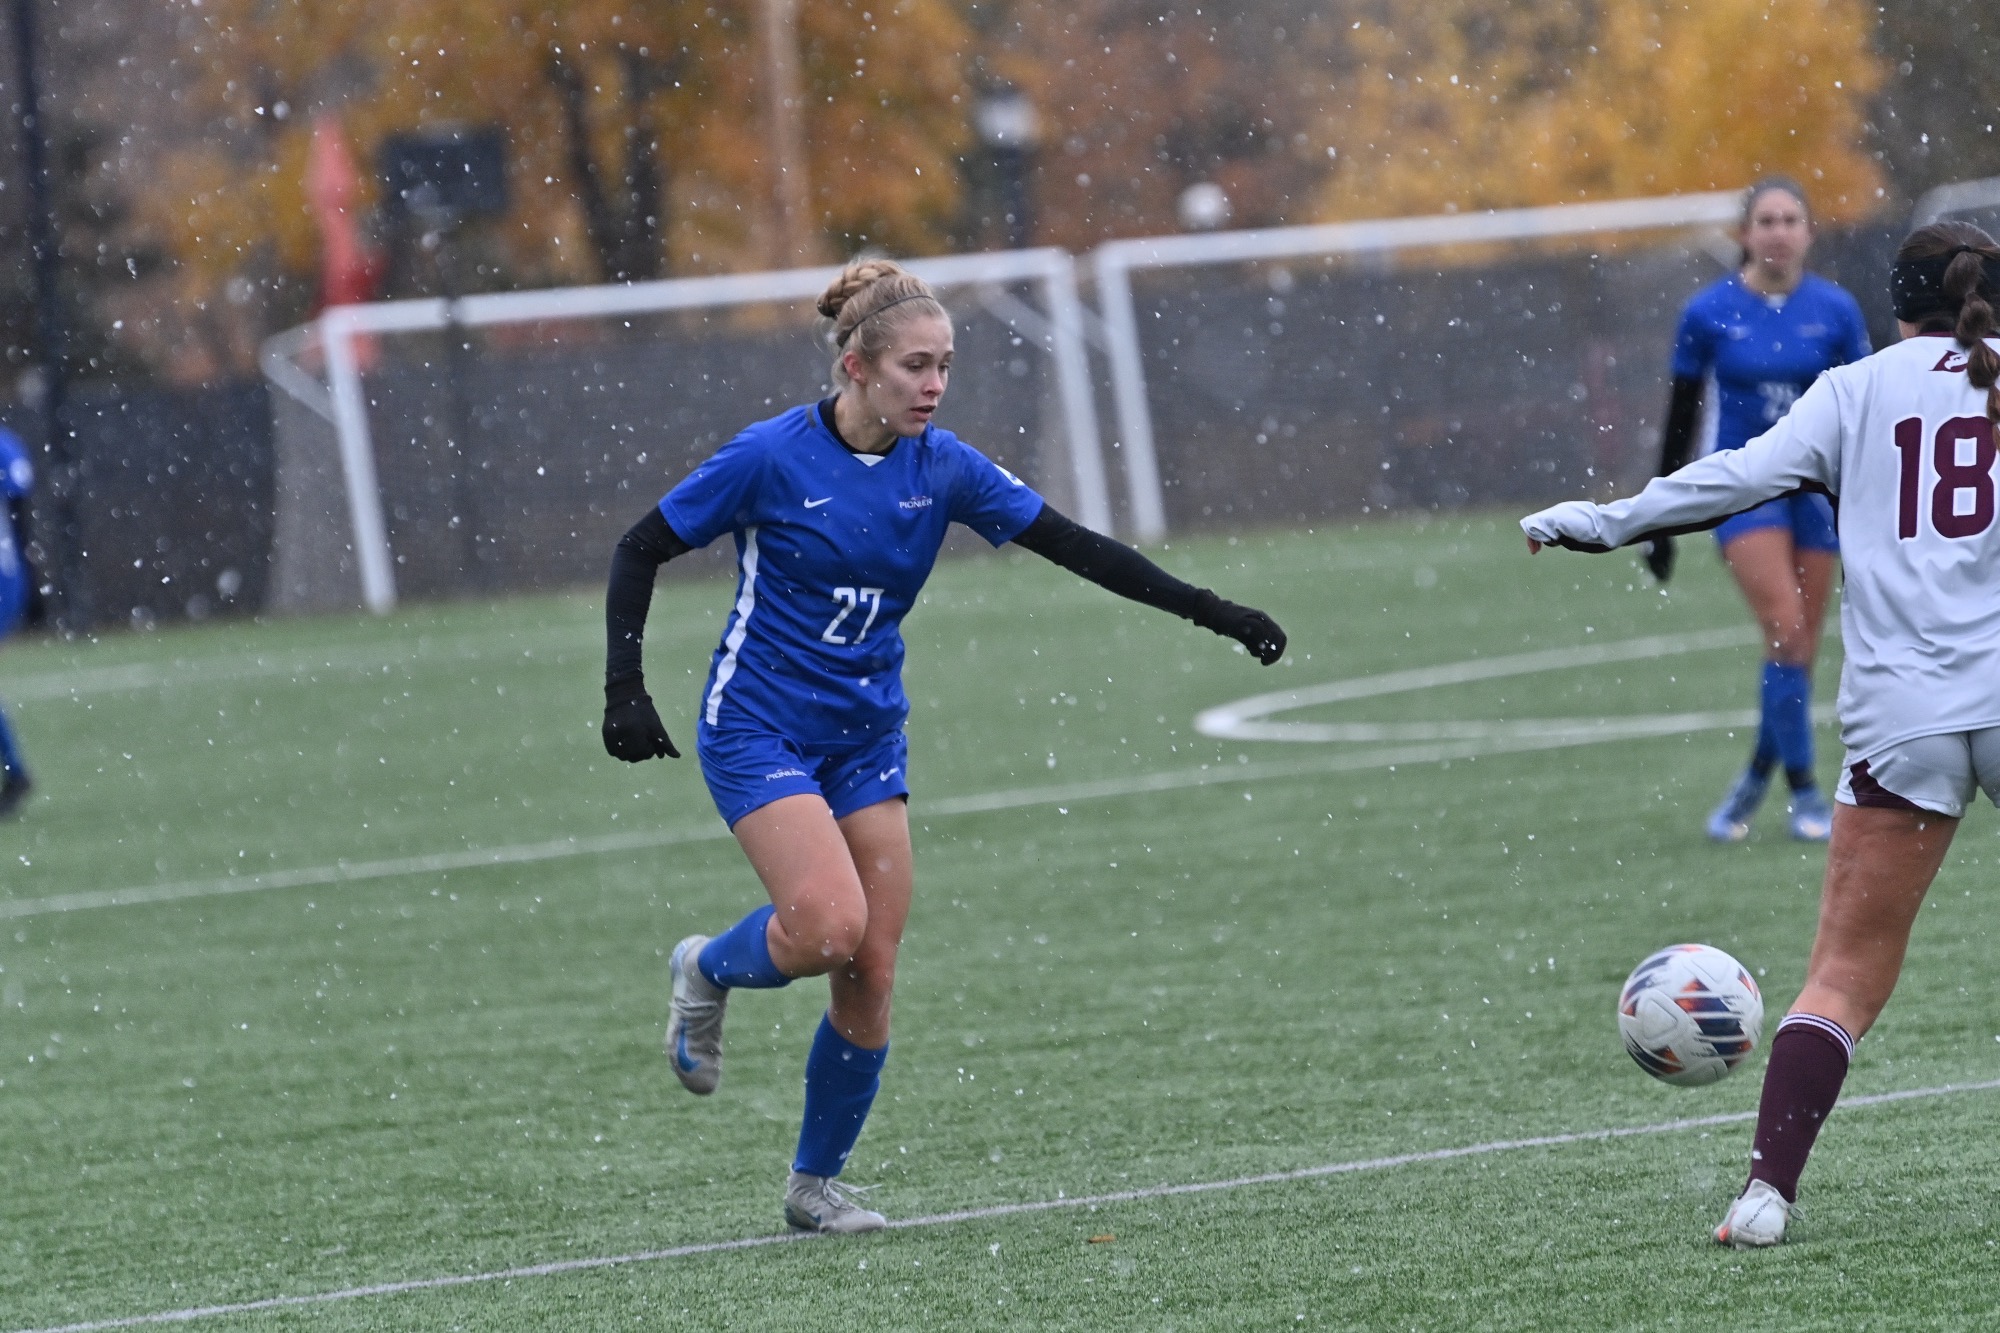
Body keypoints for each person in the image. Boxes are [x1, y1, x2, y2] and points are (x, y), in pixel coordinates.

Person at [599, 258, 1287, 1234]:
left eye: (944, 367)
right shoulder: (769, 456)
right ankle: (707, 968)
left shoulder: (944, 468)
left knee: (869, 965)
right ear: (856, 367)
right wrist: (623, 684)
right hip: (758, 724)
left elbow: (1077, 546)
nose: (932, 385)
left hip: (866, 733)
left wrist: (1210, 611)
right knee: (827, 927)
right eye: (915, 366)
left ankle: (813, 1187)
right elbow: (639, 545)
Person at [1521, 222, 2000, 1248]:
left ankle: (1762, 1195)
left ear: (1893, 302)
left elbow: (1729, 478)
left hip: (1901, 717)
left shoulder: (1853, 386)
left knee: (1840, 975)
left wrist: (1607, 521)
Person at [1644, 178, 1871, 843]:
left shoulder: (1835, 310)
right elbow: (1681, 417)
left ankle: (1752, 779)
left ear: (1808, 232)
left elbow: (1862, 411)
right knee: (1784, 624)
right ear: (1744, 233)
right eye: (1765, 220)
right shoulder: (1708, 313)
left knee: (1798, 646)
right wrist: (1661, 515)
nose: (1777, 231)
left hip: (1816, 493)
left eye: (1789, 219)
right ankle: (1806, 795)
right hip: (1743, 487)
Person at [0, 423, 35, 817]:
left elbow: (20, 513)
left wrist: (33, 579)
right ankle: (15, 769)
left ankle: (16, 770)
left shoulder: (3, 446)